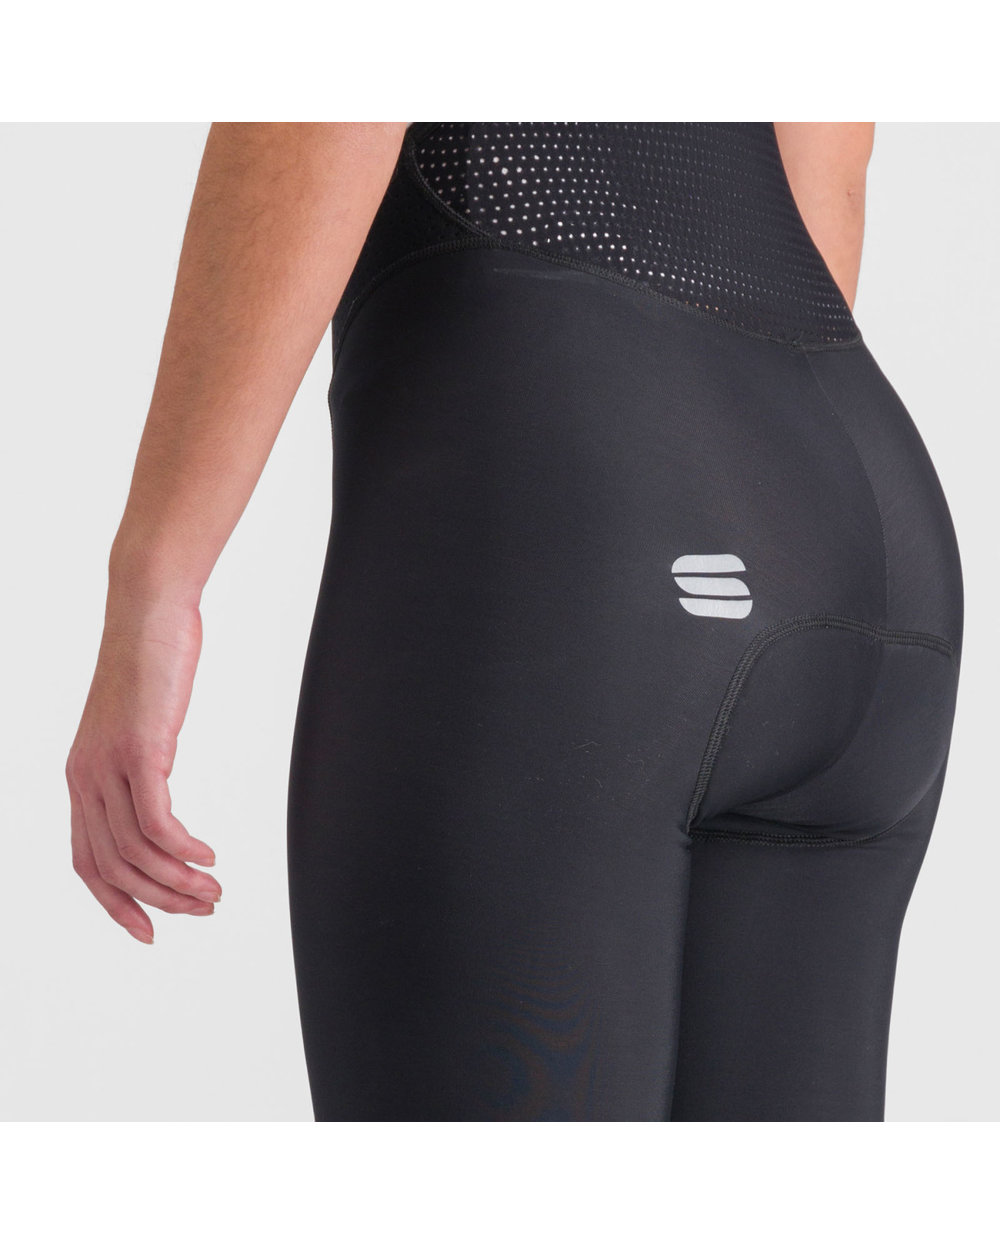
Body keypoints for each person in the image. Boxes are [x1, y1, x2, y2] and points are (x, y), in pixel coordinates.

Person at [65, 122, 963, 1121]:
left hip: (574, 503)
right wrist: (737, 503)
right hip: (857, 511)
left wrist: (155, 583)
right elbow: (824, 153)